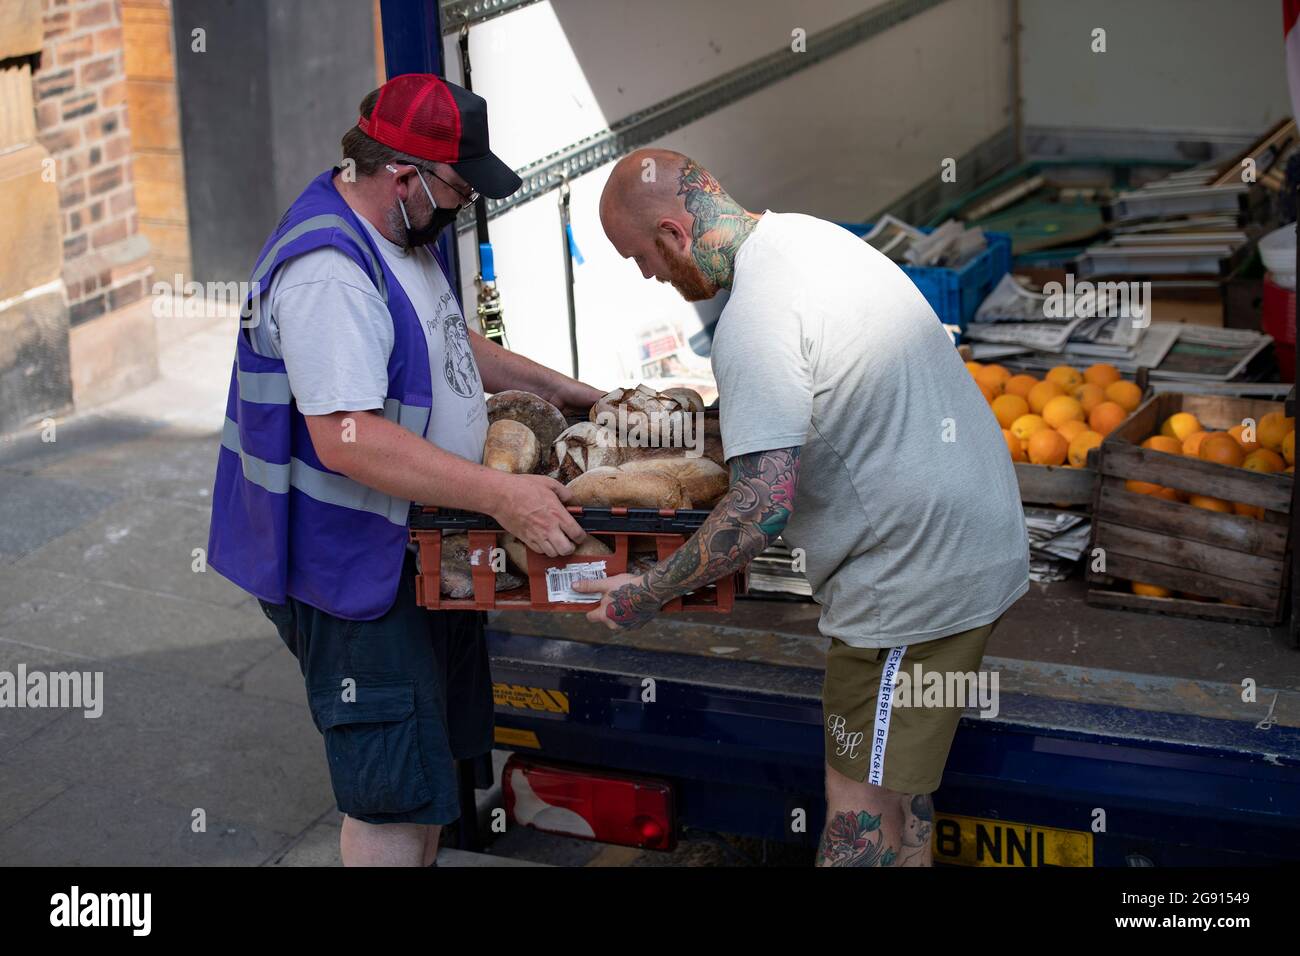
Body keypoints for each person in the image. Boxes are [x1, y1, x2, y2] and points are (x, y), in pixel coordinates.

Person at [579, 148, 1029, 867]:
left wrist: (644, 594)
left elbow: (760, 511)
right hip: (970, 544)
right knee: (896, 789)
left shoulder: (755, 319)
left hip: (910, 583)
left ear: (673, 233)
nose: (651, 276)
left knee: (858, 806)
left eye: (642, 257)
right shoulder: (807, 239)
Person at [207, 74, 603, 866]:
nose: (463, 205)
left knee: (424, 776)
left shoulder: (397, 234)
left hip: (411, 553)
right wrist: (504, 496)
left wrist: (564, 390)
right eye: (457, 188)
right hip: (348, 570)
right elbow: (349, 440)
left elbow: (450, 340)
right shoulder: (330, 273)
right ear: (402, 174)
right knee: (387, 793)